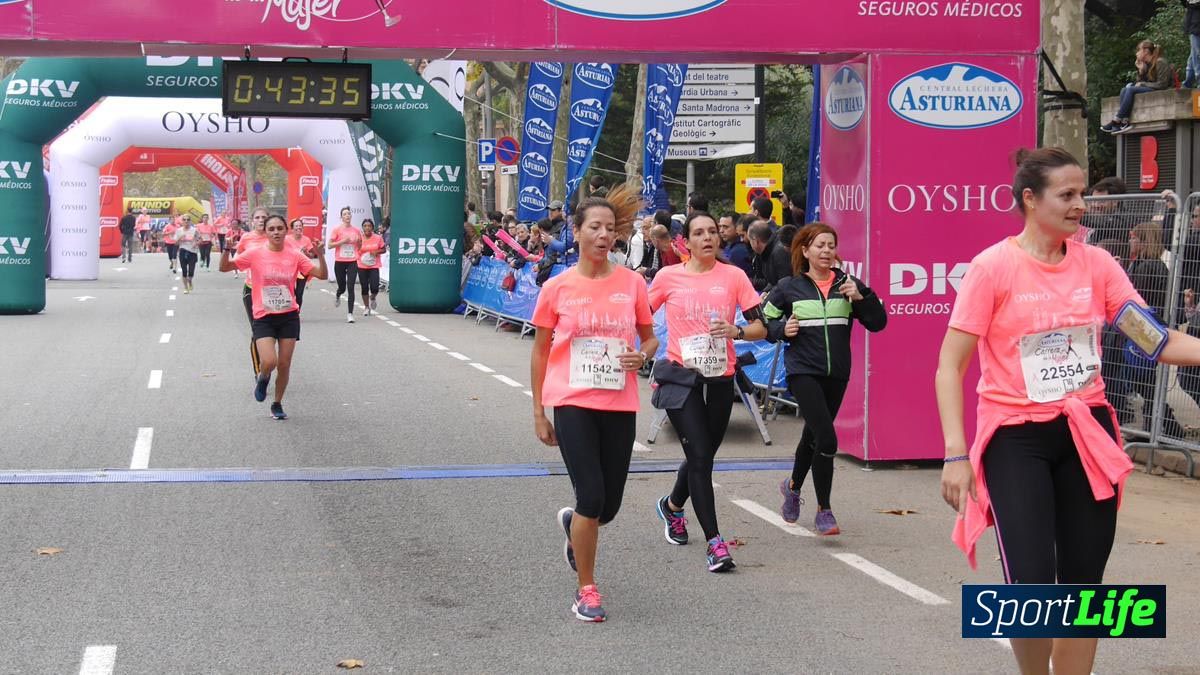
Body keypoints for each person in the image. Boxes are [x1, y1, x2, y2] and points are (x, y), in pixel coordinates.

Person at [934, 146, 1200, 675]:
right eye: (1068, 195)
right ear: (1030, 200)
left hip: (1087, 433)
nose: (1081, 205)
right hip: (1016, 436)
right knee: (1031, 583)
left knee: (1083, 584)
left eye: (1083, 194)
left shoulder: (1097, 264)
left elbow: (1151, 339)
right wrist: (955, 455)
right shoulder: (993, 268)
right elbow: (949, 367)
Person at [530, 183, 657, 623]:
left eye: (609, 229)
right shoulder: (558, 287)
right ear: (578, 231)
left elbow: (649, 336)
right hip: (572, 400)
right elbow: (541, 350)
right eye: (595, 227)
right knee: (591, 496)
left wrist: (644, 355)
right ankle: (586, 588)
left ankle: (575, 529)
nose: (604, 235)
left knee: (609, 505)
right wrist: (539, 410)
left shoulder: (633, 283)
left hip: (619, 402)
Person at [648, 211, 767, 572]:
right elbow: (639, 314)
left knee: (703, 455)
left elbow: (762, 326)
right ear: (686, 241)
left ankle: (671, 507)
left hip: (719, 378)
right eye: (698, 233)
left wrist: (738, 332)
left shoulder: (734, 276)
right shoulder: (669, 276)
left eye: (713, 232)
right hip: (681, 378)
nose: (707, 238)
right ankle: (715, 543)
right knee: (699, 454)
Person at [765, 223, 887, 535]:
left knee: (813, 436)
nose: (826, 251)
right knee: (828, 439)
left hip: (837, 374)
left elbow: (878, 323)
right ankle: (824, 510)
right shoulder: (789, 287)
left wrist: (860, 298)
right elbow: (765, 320)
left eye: (831, 245)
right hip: (802, 371)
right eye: (820, 245)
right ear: (805, 251)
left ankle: (792, 487)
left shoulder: (847, 284)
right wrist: (782, 330)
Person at [221, 214, 328, 421]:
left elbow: (322, 275)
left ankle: (277, 403)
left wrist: (321, 255)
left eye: (280, 228)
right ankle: (263, 377)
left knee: (285, 364)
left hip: (288, 315)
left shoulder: (295, 255)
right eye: (272, 229)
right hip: (264, 315)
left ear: (286, 230)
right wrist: (226, 249)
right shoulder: (255, 253)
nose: (276, 232)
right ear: (267, 232)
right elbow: (225, 267)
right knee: (270, 361)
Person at [1102, 40, 1175, 133]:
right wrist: (1141, 71)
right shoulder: (1147, 64)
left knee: (1131, 90)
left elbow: (1162, 84)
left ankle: (1117, 120)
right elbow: (1139, 83)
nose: (1137, 53)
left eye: (1138, 50)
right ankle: (1124, 121)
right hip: (1153, 88)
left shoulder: (1160, 62)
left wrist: (1143, 84)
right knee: (1125, 89)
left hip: (1162, 90)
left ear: (1146, 51)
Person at [328, 206, 362, 323]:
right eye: (345, 214)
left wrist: (359, 243)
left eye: (348, 214)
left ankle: (350, 313)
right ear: (341, 217)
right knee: (342, 287)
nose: (347, 216)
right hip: (340, 262)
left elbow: (359, 246)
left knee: (351, 287)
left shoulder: (356, 230)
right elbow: (329, 245)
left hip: (352, 261)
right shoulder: (337, 230)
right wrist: (343, 241)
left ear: (351, 216)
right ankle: (338, 294)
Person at [747, 220, 791, 292]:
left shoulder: (779, 253)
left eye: (750, 241)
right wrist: (766, 292)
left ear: (755, 241)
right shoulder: (767, 251)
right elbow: (772, 281)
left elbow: (785, 285)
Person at [357, 218, 386, 316]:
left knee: (374, 288)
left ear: (372, 227)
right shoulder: (360, 238)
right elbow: (355, 250)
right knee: (364, 287)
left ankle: (372, 297)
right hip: (361, 265)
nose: (367, 228)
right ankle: (366, 307)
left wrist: (376, 252)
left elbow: (384, 249)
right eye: (365, 226)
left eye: (369, 226)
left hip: (374, 265)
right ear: (362, 228)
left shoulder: (378, 238)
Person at [288, 218, 317, 309]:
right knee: (291, 292)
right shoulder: (286, 239)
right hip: (289, 270)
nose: (298, 228)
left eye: (300, 226)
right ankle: (290, 310)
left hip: (302, 270)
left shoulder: (306, 240)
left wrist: (307, 253)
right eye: (296, 226)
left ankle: (297, 311)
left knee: (299, 293)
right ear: (292, 229)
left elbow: (312, 255)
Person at [175, 214, 199, 293]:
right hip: (183, 250)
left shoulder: (194, 230)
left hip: (192, 251)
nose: (186, 221)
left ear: (190, 221)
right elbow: (175, 243)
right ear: (182, 221)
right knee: (184, 270)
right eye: (184, 220)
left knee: (191, 271)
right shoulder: (179, 231)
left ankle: (190, 281)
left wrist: (196, 243)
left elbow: (200, 239)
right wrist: (179, 238)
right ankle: (185, 288)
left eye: (188, 220)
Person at [1184, 0, 1200, 88]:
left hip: (1194, 25)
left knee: (1194, 55)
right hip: (1195, 26)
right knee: (1197, 54)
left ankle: (1187, 82)